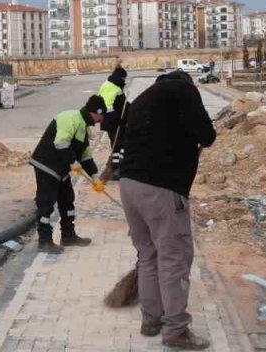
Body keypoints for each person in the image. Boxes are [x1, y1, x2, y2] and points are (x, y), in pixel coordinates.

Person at [114, 70, 216, 350]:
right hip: (161, 190)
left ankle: (151, 320)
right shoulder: (183, 91)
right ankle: (176, 330)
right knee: (174, 259)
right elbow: (207, 134)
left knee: (148, 256)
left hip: (128, 185)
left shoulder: (142, 98)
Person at [28, 95, 107, 254]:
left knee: (67, 199)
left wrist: (95, 177)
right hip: (47, 165)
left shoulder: (84, 126)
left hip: (61, 169)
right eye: (102, 115)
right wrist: (72, 162)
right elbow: (60, 143)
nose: (102, 119)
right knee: (46, 203)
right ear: (96, 112)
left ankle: (68, 236)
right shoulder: (70, 118)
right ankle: (45, 241)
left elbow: (85, 154)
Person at [97, 66, 128, 178]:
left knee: (114, 143)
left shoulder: (105, 84)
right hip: (113, 119)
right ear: (121, 77)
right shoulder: (117, 89)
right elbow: (122, 106)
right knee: (121, 143)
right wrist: (122, 120)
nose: (125, 81)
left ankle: (115, 166)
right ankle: (119, 168)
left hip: (105, 119)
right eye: (124, 79)